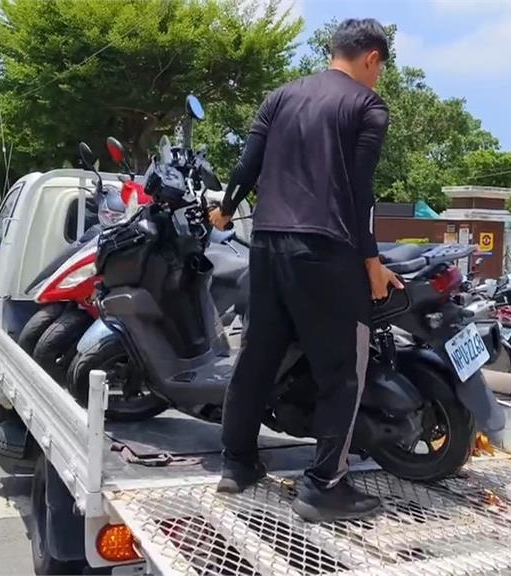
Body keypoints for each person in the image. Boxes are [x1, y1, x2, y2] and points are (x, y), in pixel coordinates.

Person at [208, 18, 402, 523]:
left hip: (267, 245)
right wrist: (373, 262)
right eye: (379, 69)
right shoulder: (367, 106)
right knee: (342, 372)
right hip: (326, 252)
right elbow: (360, 194)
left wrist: (226, 211)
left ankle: (237, 464)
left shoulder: (280, 97)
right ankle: (323, 486)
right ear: (372, 59)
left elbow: (246, 165)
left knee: (257, 358)